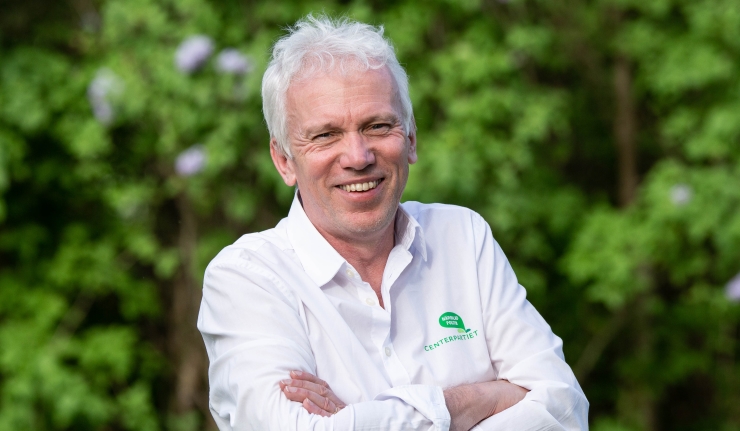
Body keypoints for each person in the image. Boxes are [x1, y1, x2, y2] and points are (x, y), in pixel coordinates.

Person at [198, 14, 588, 431]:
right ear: (283, 160)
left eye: (378, 126)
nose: (358, 156)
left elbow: (564, 409)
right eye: (326, 135)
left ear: (411, 139)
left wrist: (356, 418)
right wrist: (485, 399)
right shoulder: (247, 279)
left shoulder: (463, 236)